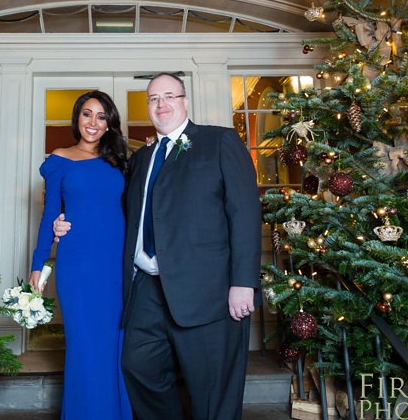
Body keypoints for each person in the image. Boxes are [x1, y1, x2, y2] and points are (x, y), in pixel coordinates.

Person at [54, 73, 262, 420]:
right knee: (137, 367)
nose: (161, 104)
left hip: (206, 290)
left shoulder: (219, 141)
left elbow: (244, 212)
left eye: (169, 96)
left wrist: (243, 283)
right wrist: (66, 224)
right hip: (147, 286)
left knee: (211, 390)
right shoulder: (140, 159)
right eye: (153, 98)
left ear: (184, 101)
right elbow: (113, 213)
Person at [29, 90, 132, 420]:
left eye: (101, 116)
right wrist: (38, 263)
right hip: (78, 265)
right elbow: (50, 216)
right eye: (87, 114)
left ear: (109, 124)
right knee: (85, 346)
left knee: (115, 345)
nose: (93, 122)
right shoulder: (60, 158)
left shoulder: (119, 161)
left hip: (115, 263)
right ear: (77, 119)